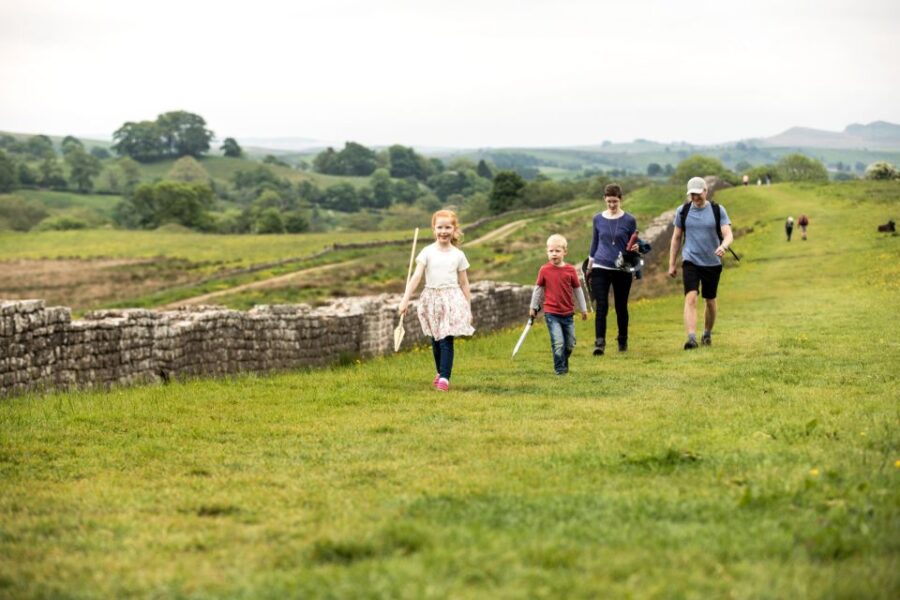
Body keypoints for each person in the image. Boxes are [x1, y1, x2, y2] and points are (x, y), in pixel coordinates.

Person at [398, 209, 474, 392]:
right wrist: (405, 300)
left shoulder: (458, 255)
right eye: (440, 227)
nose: (444, 231)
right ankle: (440, 371)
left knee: (446, 337)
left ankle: (445, 379)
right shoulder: (427, 252)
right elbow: (416, 277)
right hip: (430, 298)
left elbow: (464, 283)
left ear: (454, 229)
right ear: (434, 229)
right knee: (435, 338)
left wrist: (468, 308)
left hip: (451, 299)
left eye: (448, 227)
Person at [668, 177, 734, 350]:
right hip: (691, 260)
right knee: (691, 297)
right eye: (692, 195)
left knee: (710, 300)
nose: (695, 198)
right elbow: (676, 238)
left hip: (712, 262)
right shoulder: (682, 211)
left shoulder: (717, 210)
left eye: (698, 194)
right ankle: (691, 338)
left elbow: (728, 234)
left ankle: (707, 332)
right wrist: (672, 264)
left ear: (706, 191)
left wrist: (723, 246)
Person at [587, 183, 639, 355]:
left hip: (622, 268)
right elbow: (595, 242)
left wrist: (636, 250)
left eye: (615, 201)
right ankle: (599, 343)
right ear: (604, 199)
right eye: (609, 201)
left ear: (620, 199)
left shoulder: (630, 220)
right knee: (601, 305)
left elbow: (633, 242)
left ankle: (622, 339)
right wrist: (590, 263)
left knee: (621, 306)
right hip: (600, 266)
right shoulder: (597, 219)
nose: (611, 205)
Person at [529, 234, 588, 375]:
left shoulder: (570, 270)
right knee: (558, 343)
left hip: (568, 313)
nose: (554, 254)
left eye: (557, 251)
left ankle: (562, 361)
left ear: (565, 252)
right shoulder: (544, 270)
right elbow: (538, 290)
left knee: (570, 344)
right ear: (547, 252)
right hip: (551, 313)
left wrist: (584, 309)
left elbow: (578, 290)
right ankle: (560, 371)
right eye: (551, 251)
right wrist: (533, 306)